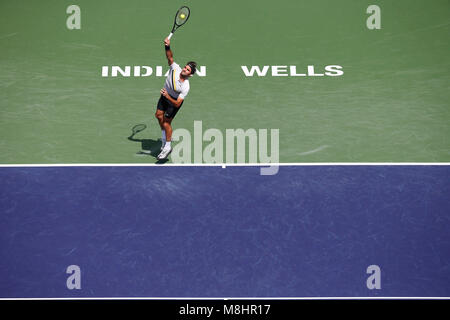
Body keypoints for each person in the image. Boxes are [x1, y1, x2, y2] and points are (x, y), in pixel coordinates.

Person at [155, 37, 197, 160]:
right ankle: (164, 138)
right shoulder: (175, 69)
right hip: (165, 96)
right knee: (158, 116)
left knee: (167, 122)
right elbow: (170, 57)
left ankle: (167, 147)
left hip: (173, 102)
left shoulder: (186, 86)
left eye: (188, 70)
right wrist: (167, 46)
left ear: (190, 74)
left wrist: (168, 96)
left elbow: (178, 104)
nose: (185, 69)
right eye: (185, 67)